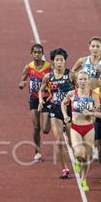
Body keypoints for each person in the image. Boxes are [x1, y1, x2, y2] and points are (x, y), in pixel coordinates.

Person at [62, 71, 101, 191]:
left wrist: (91, 113)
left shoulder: (93, 95)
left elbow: (100, 113)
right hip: (76, 127)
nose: (83, 81)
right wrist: (65, 116)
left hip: (89, 127)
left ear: (88, 81)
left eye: (85, 79)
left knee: (88, 157)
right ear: (77, 81)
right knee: (79, 153)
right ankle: (77, 161)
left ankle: (84, 180)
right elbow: (63, 104)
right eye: (81, 79)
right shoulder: (72, 94)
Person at [39, 48, 75, 179]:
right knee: (59, 140)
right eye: (57, 60)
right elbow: (41, 89)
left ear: (65, 61)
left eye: (61, 60)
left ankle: (77, 160)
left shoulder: (71, 75)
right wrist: (40, 100)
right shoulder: (48, 76)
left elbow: (80, 89)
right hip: (55, 109)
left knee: (71, 142)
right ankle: (65, 168)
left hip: (69, 110)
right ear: (53, 62)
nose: (59, 62)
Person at [19, 44, 52, 162]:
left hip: (46, 98)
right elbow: (22, 80)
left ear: (42, 54)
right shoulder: (28, 67)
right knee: (36, 126)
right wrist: (21, 84)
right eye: (35, 52)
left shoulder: (49, 67)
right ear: (31, 53)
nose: (37, 55)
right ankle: (37, 151)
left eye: (39, 52)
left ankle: (54, 119)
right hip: (33, 99)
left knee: (45, 130)